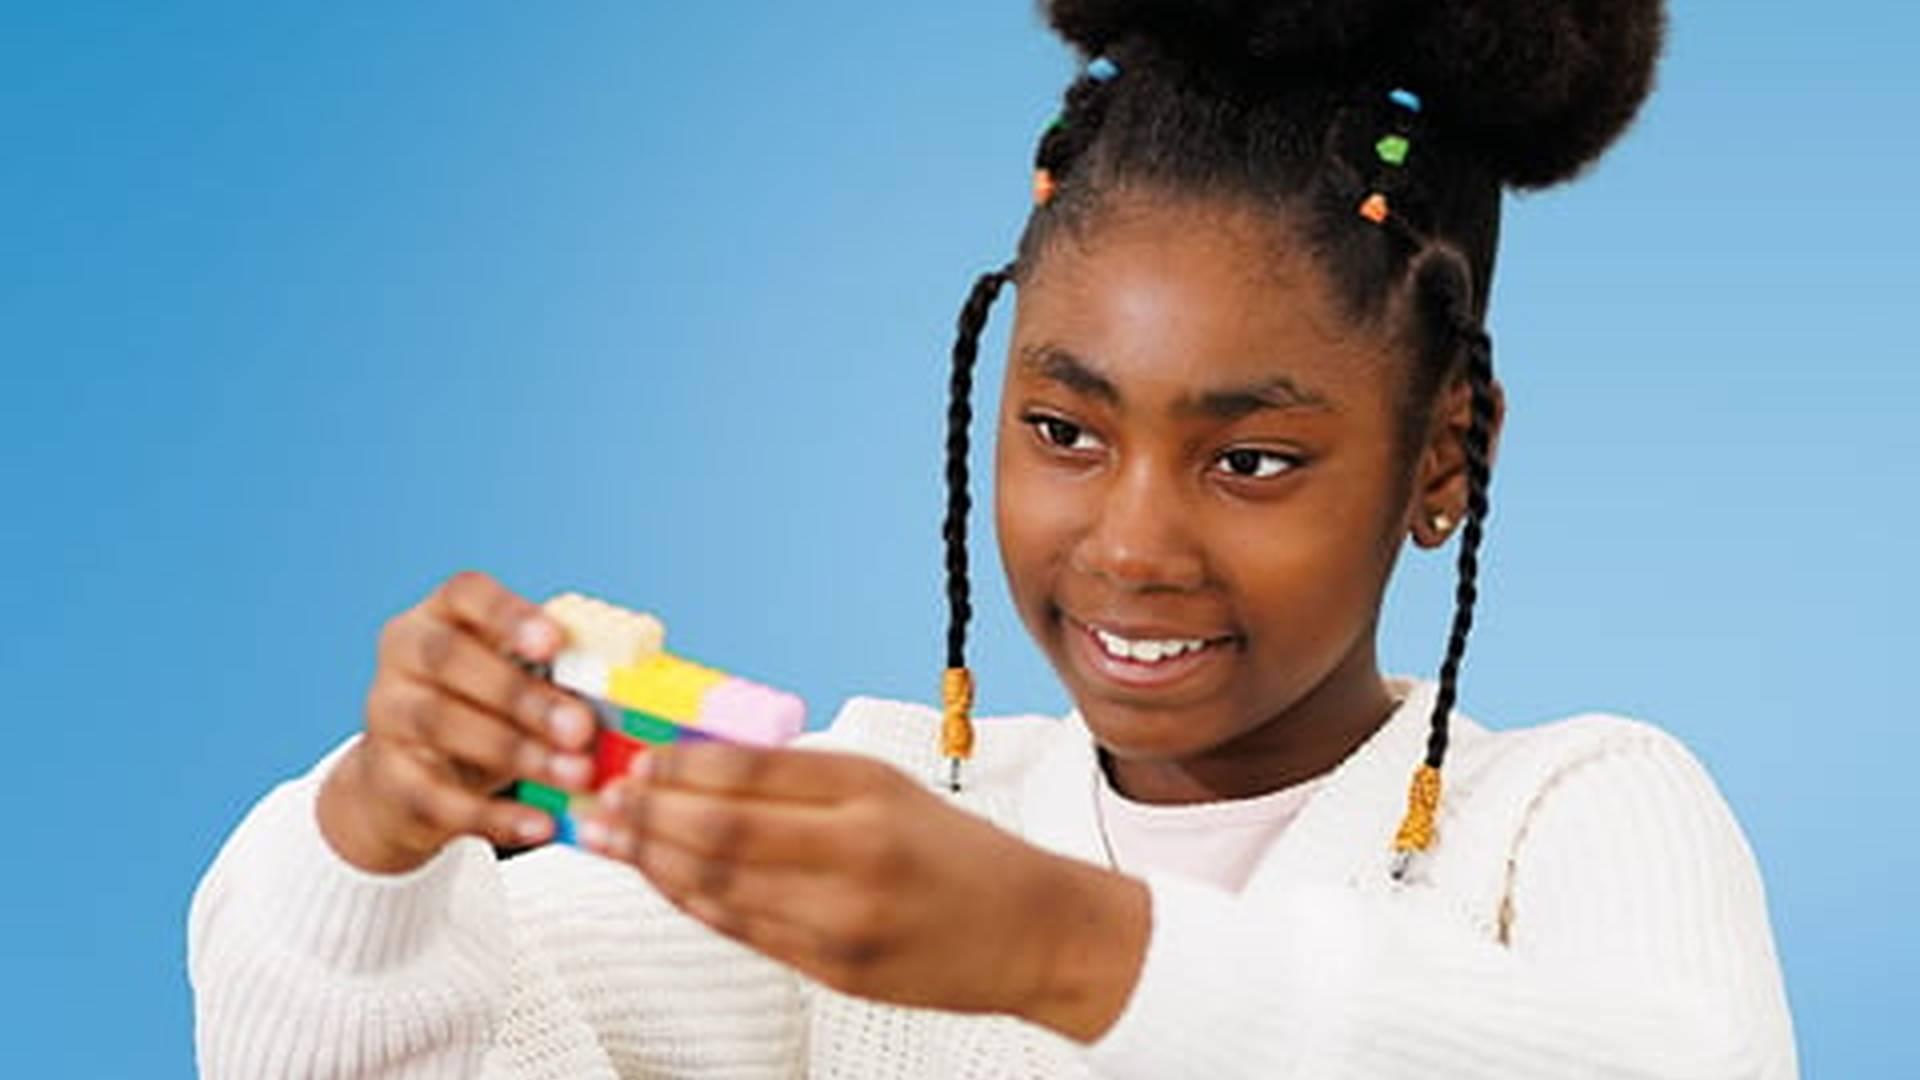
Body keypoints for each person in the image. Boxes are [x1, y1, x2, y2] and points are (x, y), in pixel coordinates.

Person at [187, 1, 1799, 1076]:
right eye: (1064, 431)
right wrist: (377, 834)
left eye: (1249, 457)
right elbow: (418, 1043)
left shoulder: (1571, 815)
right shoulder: (884, 821)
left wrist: (1061, 944)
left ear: (1445, 453)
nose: (1131, 543)